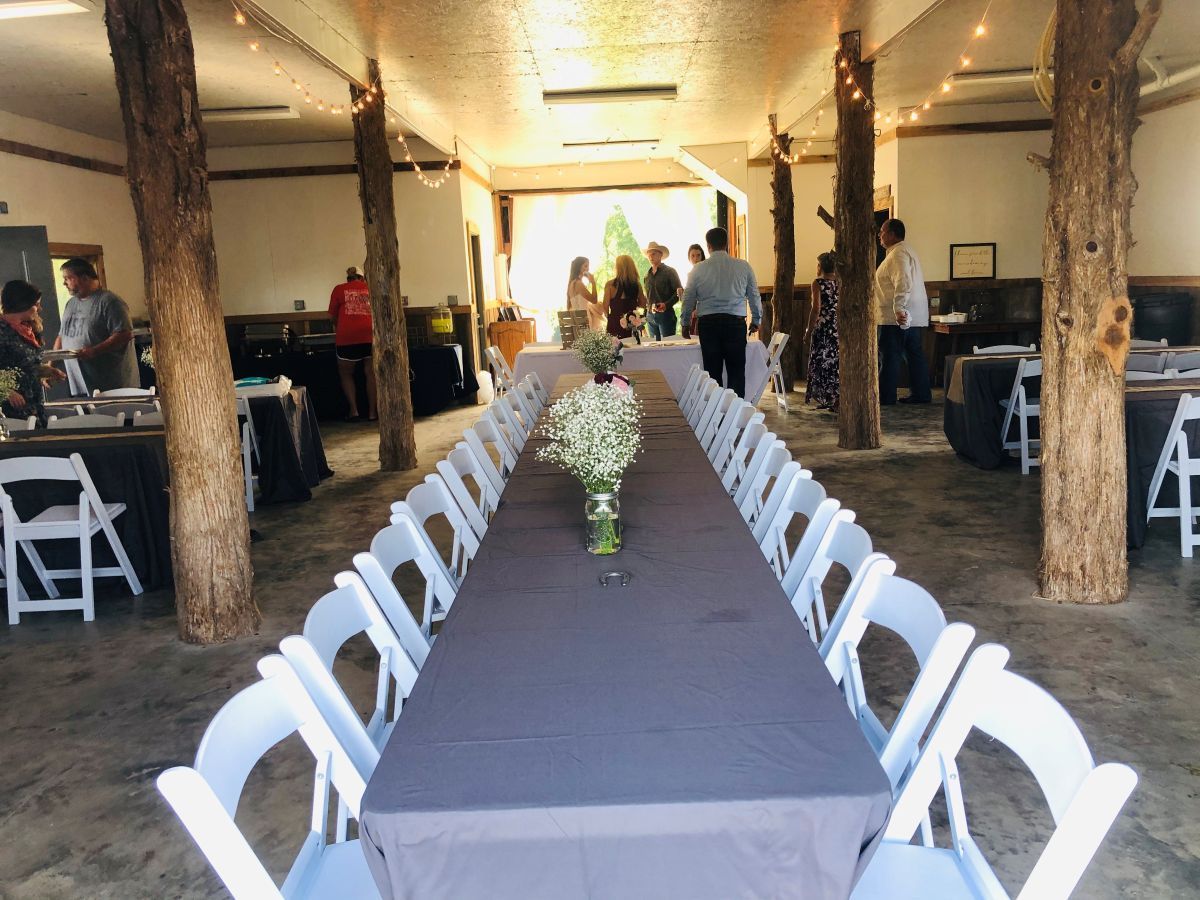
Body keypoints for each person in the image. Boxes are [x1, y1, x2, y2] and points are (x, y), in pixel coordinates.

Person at [681, 227, 762, 398]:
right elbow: (754, 294)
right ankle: (736, 414)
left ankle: (716, 415)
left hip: (708, 324)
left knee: (712, 373)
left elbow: (688, 298)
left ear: (708, 246)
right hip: (735, 323)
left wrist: (685, 322)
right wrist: (756, 319)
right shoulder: (743, 266)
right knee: (737, 372)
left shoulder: (698, 269)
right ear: (727, 244)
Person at [54, 258, 138, 394]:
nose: (64, 283)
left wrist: (94, 351)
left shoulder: (110, 302)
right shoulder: (70, 304)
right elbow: (62, 336)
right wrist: (51, 365)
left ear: (85, 278)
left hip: (110, 385)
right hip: (79, 384)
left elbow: (124, 334)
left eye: (68, 278)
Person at [875, 218, 931, 404]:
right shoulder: (904, 251)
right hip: (910, 315)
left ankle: (886, 397)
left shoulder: (898, 254)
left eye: (882, 231)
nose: (879, 235)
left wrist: (899, 308)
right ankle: (921, 394)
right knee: (914, 356)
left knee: (890, 356)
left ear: (892, 234)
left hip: (896, 317)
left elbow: (903, 282)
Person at [0, 280, 64, 422]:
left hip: (33, 403)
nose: (39, 308)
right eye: (36, 304)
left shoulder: (29, 328)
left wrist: (44, 370)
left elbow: (23, 365)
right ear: (22, 304)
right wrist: (6, 391)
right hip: (8, 407)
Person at [329, 266, 377, 421]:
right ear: (362, 278)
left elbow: (333, 316)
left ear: (348, 278)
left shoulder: (339, 289)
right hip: (370, 337)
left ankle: (354, 410)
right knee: (371, 374)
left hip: (346, 339)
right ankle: (372, 413)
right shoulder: (371, 289)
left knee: (346, 374)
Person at [804, 251, 840, 411]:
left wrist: (809, 330)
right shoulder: (840, 282)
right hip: (838, 327)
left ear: (820, 267)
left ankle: (829, 398)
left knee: (822, 362)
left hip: (824, 328)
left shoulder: (817, 283)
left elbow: (816, 308)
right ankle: (836, 398)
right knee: (836, 363)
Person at [641, 241, 681, 340]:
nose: (650, 256)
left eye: (653, 253)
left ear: (660, 254)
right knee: (654, 348)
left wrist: (666, 305)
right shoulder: (647, 275)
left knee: (667, 346)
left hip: (666, 315)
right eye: (648, 254)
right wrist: (644, 316)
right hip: (650, 316)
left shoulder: (670, 272)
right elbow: (647, 298)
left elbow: (679, 293)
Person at [603, 255, 647, 339]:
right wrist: (634, 304)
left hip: (614, 323)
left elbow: (605, 307)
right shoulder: (636, 285)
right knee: (633, 349)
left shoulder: (610, 285)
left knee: (615, 350)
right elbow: (643, 304)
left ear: (617, 267)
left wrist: (611, 318)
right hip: (632, 323)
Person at [566, 257, 604, 332]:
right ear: (578, 267)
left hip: (577, 319)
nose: (588, 269)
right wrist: (593, 282)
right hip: (583, 320)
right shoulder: (578, 283)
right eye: (585, 266)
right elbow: (594, 300)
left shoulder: (572, 283)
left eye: (588, 266)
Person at [685, 243, 706, 336]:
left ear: (702, 256)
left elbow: (706, 293)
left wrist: (698, 309)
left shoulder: (706, 272)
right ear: (689, 258)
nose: (695, 258)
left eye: (698, 255)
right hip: (691, 311)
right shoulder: (690, 273)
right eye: (692, 256)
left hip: (703, 310)